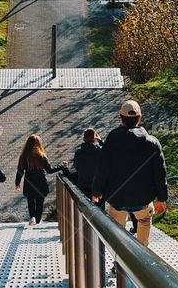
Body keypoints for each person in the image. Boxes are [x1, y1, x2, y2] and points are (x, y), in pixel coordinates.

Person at [92, 99, 168, 247]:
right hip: (143, 199)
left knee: (118, 235)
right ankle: (142, 259)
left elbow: (102, 168)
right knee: (144, 222)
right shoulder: (152, 143)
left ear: (121, 118)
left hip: (117, 199)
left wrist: (96, 190)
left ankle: (119, 265)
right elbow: (160, 173)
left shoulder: (112, 140)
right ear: (140, 118)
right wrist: (162, 197)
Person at [15, 134, 63, 226]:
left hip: (29, 181)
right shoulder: (42, 156)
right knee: (40, 201)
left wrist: (17, 183)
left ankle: (32, 217)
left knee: (30, 200)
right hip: (41, 181)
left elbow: (20, 171)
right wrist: (61, 166)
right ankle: (38, 220)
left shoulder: (24, 156)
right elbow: (49, 170)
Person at [72, 127, 103, 202]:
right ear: (95, 138)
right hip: (98, 184)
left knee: (85, 206)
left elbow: (77, 167)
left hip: (83, 182)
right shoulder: (101, 151)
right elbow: (109, 153)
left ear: (84, 139)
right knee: (100, 209)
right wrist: (101, 142)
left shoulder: (79, 153)